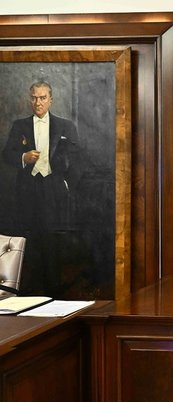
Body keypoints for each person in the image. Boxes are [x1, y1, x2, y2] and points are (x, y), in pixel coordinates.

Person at [1, 81, 83, 296]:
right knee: (30, 236)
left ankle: (53, 290)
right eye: (34, 98)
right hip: (27, 189)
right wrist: (23, 157)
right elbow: (6, 154)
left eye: (43, 98)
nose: (38, 102)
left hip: (53, 189)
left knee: (52, 238)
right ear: (30, 100)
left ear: (50, 100)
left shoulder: (65, 126)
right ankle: (29, 291)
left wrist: (67, 185)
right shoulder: (19, 125)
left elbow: (77, 159)